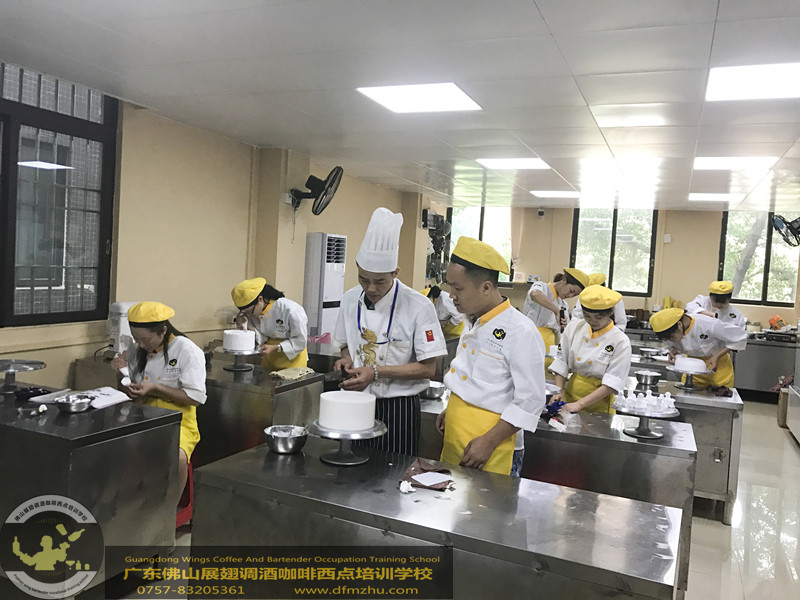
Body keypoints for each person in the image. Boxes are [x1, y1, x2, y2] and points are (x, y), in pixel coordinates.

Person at [333, 207, 447, 455]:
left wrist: (375, 372)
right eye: (364, 279)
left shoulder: (418, 306)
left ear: (395, 273)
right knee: (352, 465)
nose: (371, 288)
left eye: (380, 281)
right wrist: (346, 359)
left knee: (394, 470)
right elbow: (345, 345)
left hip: (398, 407)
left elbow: (429, 369)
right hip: (356, 400)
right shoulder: (350, 299)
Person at [435, 236, 546, 477]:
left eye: (458, 288)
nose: (451, 295)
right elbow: (476, 381)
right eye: (450, 286)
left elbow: (531, 400)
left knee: (488, 502)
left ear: (486, 288)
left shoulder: (521, 331)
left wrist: (489, 441)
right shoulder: (472, 320)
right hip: (457, 435)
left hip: (493, 447)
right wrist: (453, 410)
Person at [111, 302, 206, 507]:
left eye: (145, 339)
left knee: (178, 457)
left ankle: (168, 510)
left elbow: (196, 398)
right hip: (142, 415)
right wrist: (120, 374)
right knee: (114, 448)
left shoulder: (186, 350)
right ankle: (128, 505)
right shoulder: (138, 350)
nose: (141, 344)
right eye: (136, 339)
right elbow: (128, 393)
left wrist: (156, 388)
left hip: (178, 420)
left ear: (163, 330)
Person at [549, 285, 632, 414]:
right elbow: (561, 363)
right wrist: (558, 392)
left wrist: (579, 404)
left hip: (599, 404)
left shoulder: (620, 341)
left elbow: (612, 383)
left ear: (611, 312)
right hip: (569, 397)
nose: (592, 321)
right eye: (587, 316)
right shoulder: (574, 328)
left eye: (598, 317)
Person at [649, 307, 747, 387]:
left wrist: (716, 356)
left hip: (718, 371)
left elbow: (740, 337)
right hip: (691, 373)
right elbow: (671, 344)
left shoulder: (708, 324)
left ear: (679, 325)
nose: (670, 340)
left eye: (671, 337)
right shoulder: (673, 329)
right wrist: (672, 350)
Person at [231, 277, 309, 370]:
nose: (249, 314)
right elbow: (262, 339)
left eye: (250, 311)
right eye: (245, 312)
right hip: (269, 359)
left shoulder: (291, 310)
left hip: (293, 361)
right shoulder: (253, 312)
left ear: (260, 299)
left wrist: (276, 347)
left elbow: (300, 341)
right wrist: (249, 327)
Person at [522, 267, 589, 371]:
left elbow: (562, 334)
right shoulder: (541, 287)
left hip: (549, 347)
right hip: (529, 340)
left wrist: (564, 327)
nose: (570, 295)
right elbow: (535, 294)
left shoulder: (564, 305)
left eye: (574, 295)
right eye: (571, 291)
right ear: (564, 280)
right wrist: (556, 311)